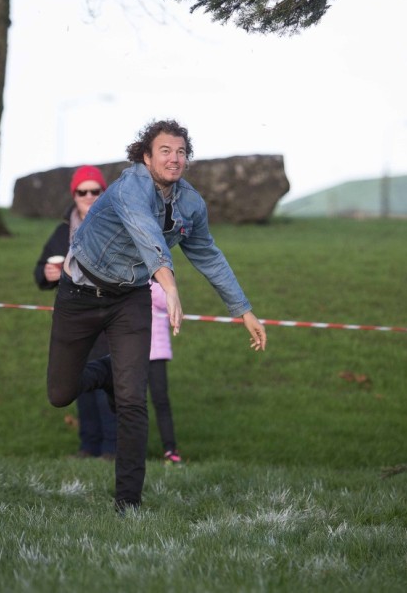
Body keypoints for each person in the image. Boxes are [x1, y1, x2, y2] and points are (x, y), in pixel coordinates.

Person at [47, 118, 267, 513]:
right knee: (60, 393)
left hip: (129, 298)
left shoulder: (191, 205)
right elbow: (145, 231)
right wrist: (168, 283)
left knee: (133, 400)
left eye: (182, 151)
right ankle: (111, 374)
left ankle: (128, 504)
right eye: (165, 150)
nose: (175, 158)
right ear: (145, 156)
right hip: (78, 294)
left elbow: (209, 256)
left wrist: (244, 311)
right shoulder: (131, 186)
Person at [34, 165, 117, 460]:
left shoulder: (115, 226)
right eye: (83, 191)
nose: (90, 196)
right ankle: (88, 446)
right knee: (77, 380)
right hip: (74, 319)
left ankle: (111, 448)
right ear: (75, 194)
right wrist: (47, 274)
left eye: (96, 191)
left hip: (108, 315)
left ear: (105, 193)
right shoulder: (61, 232)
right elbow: (40, 273)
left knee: (108, 381)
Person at [148, 280, 182, 464]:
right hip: (131, 353)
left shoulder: (158, 283)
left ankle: (170, 449)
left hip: (156, 354)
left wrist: (148, 285)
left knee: (161, 402)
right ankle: (131, 448)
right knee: (132, 403)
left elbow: (166, 302)